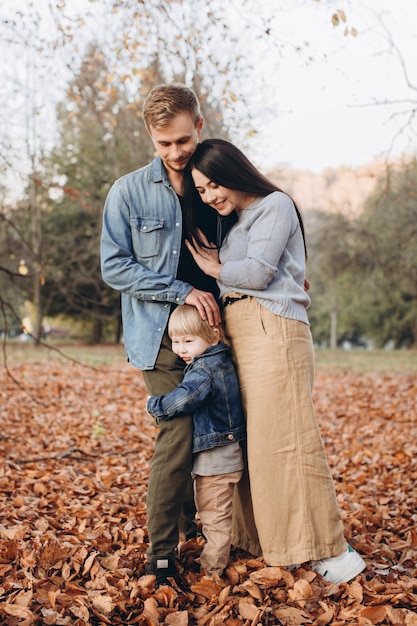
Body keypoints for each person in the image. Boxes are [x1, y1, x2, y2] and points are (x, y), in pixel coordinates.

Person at [183, 138, 366, 585]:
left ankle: (332, 552)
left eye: (214, 185)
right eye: (202, 190)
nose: (210, 196)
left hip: (273, 329)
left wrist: (215, 269)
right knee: (256, 443)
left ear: (234, 171)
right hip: (243, 329)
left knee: (289, 439)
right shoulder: (239, 220)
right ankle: (273, 540)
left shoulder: (275, 205)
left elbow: (260, 273)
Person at [100, 84, 222, 588]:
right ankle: (163, 555)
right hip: (159, 339)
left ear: (200, 125)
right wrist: (177, 290)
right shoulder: (127, 192)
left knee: (221, 436)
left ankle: (207, 529)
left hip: (218, 335)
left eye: (184, 140)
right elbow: (114, 266)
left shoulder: (214, 182)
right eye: (164, 143)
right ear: (150, 136)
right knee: (176, 436)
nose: (175, 153)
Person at [146, 304, 245, 577]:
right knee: (218, 513)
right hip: (223, 456)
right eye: (176, 342)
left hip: (216, 461)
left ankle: (211, 571)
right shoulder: (219, 360)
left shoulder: (206, 369)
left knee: (215, 519)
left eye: (189, 341)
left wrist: (157, 405)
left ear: (213, 336)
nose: (181, 350)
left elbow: (186, 398)